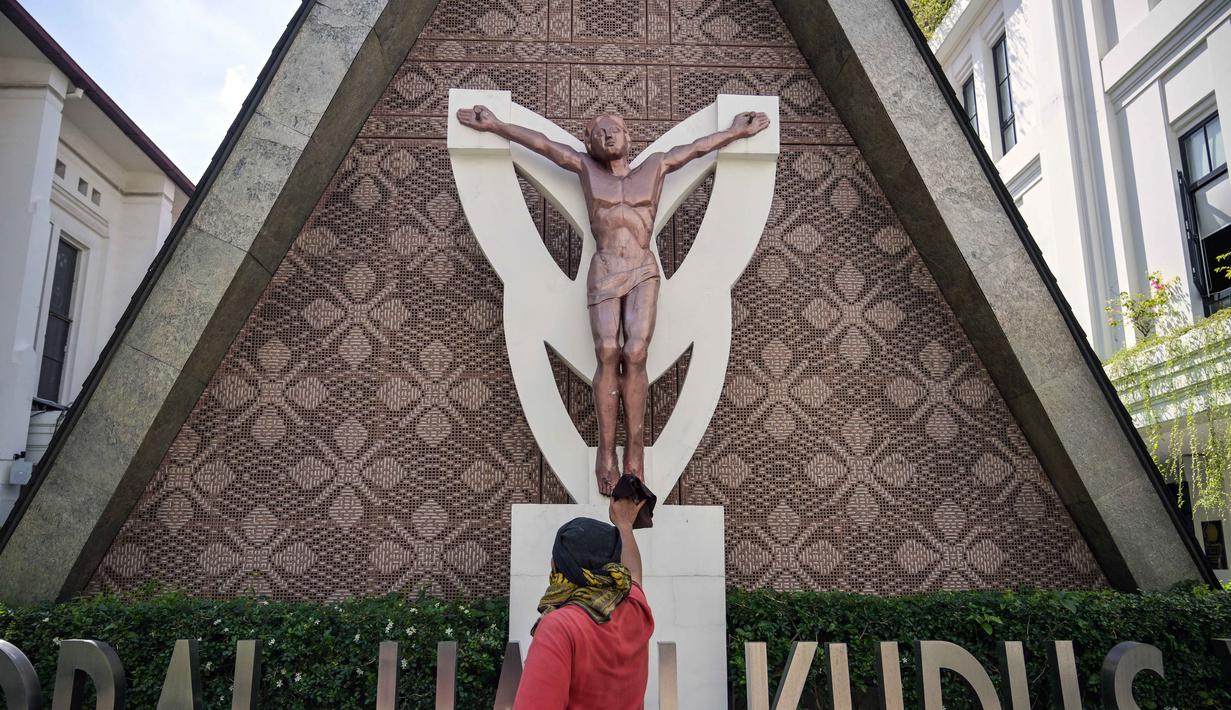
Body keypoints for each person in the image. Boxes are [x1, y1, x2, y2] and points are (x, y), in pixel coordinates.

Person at [456, 105, 769, 494]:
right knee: (607, 349)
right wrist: (498, 125)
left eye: (614, 128)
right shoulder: (587, 171)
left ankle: (634, 448)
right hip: (604, 267)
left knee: (635, 352)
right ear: (589, 144)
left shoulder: (654, 167)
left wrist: (736, 133)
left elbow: (693, 149)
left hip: (642, 269)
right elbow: (546, 146)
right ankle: (607, 451)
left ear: (628, 138)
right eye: (598, 132)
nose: (607, 135)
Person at [512, 496, 652, 709]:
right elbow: (633, 576)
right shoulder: (634, 611)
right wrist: (625, 526)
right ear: (611, 567)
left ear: (556, 565)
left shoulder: (559, 627)